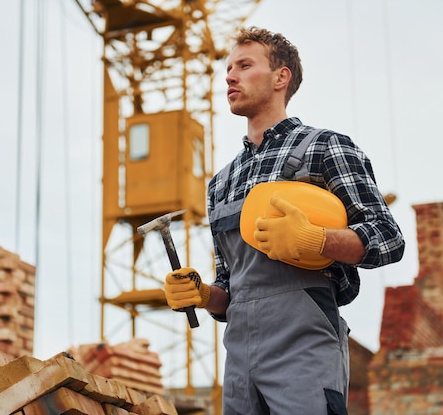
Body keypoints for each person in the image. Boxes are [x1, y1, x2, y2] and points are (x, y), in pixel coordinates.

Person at [163, 26, 405, 415]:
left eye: (244, 65)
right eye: (228, 68)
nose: (229, 76)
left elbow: (388, 238)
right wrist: (205, 295)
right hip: (240, 357)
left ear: (281, 77)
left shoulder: (326, 147)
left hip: (304, 346)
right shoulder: (221, 183)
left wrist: (316, 240)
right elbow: (231, 291)